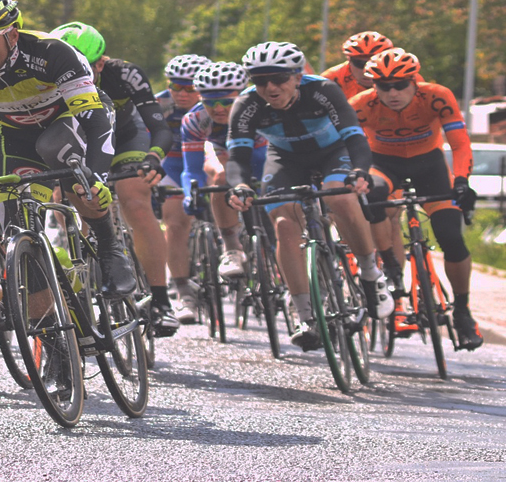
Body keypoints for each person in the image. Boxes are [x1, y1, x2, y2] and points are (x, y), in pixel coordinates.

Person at [0, 0, 135, 300]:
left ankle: (110, 247)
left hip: (70, 122)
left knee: (64, 158)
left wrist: (96, 178)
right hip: (11, 136)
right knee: (10, 232)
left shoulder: (52, 53)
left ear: (11, 34)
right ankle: (51, 336)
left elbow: (95, 123)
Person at [224, 41, 393, 351]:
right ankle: (304, 314)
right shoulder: (246, 105)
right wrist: (240, 186)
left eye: (279, 79)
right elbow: (237, 158)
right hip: (286, 159)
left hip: (333, 152)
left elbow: (355, 136)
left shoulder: (323, 90)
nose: (270, 88)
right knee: (284, 223)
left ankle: (371, 273)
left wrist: (359, 171)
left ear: (297, 77)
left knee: (339, 197)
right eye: (260, 81)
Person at [351, 48, 483, 351]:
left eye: (400, 85)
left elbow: (460, 144)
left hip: (430, 165)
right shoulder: (360, 105)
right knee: (373, 195)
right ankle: (392, 268)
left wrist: (462, 181)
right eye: (384, 86)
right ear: (374, 86)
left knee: (451, 237)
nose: (393, 93)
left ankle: (462, 311)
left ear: (415, 81)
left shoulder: (437, 96)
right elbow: (350, 149)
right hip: (383, 165)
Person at [51, 22, 175, 335]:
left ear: (101, 63)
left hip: (124, 139)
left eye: (85, 68)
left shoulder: (124, 74)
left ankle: (161, 300)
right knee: (69, 204)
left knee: (134, 200)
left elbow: (158, 126)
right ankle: (82, 282)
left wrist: (154, 157)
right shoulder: (47, 75)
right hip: (79, 142)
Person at [180, 61, 269, 287]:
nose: (218, 108)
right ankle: (231, 249)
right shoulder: (195, 120)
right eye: (210, 102)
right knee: (220, 177)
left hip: (262, 151)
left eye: (226, 102)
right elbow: (192, 168)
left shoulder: (262, 108)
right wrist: (191, 193)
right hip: (224, 153)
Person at [154, 54, 210, 323]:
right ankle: (182, 290)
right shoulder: (160, 103)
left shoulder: (215, 103)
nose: (183, 93)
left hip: (209, 162)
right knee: (175, 225)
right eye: (177, 87)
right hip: (174, 166)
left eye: (191, 88)